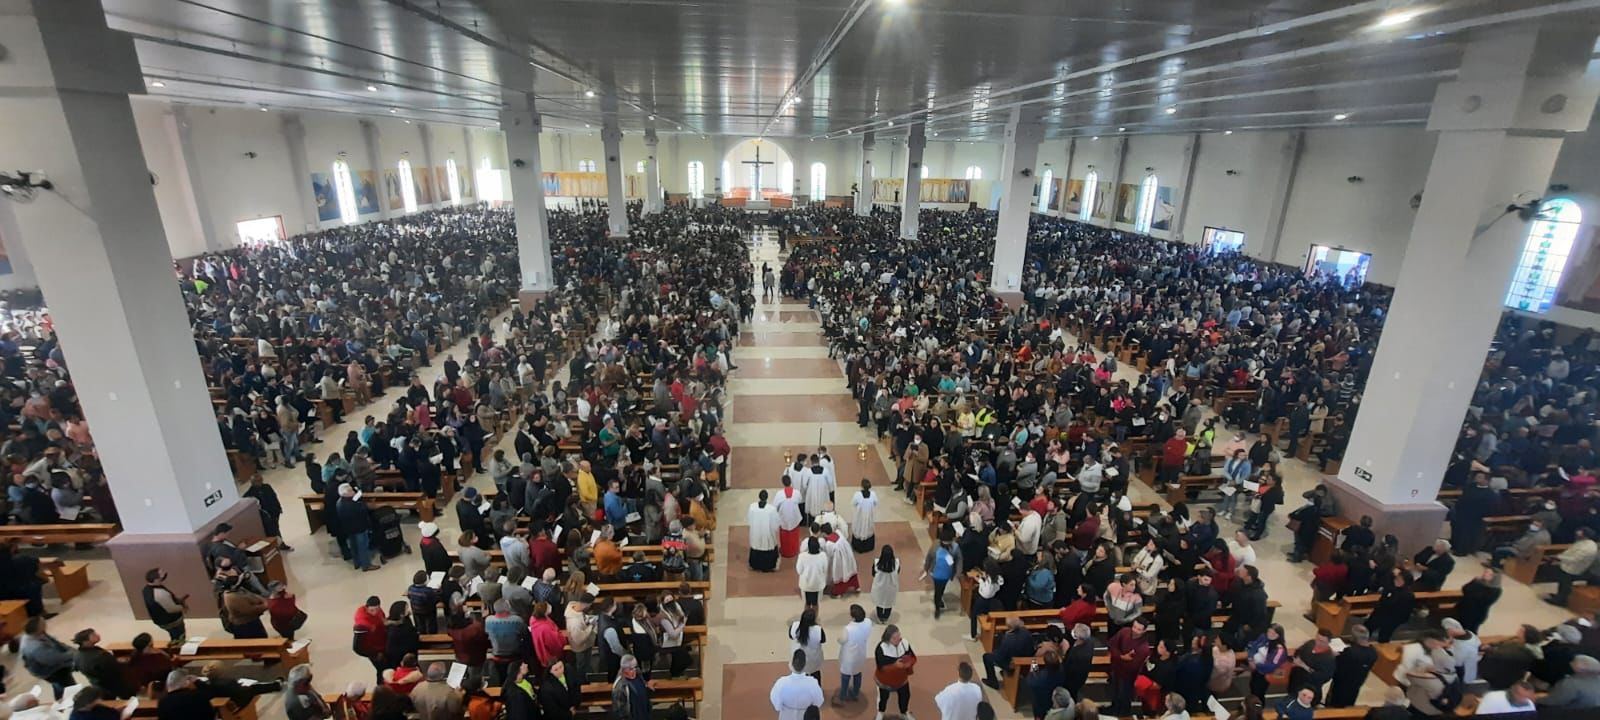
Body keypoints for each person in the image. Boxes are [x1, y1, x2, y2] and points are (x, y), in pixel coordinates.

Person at [1107, 618, 1151, 716]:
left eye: (1139, 629)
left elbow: (1134, 666)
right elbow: (1111, 644)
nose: (1135, 631)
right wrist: (1121, 656)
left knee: (1125, 697)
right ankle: (1113, 708)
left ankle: (1124, 714)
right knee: (1114, 692)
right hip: (1116, 669)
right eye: (1134, 627)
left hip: (1128, 677)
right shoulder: (1124, 632)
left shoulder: (1144, 648)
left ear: (1144, 631)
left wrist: (1119, 657)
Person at [18, 619, 72, 699]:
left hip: (51, 665)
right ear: (38, 629)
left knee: (59, 686)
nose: (45, 624)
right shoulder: (35, 647)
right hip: (51, 671)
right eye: (42, 624)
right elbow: (53, 659)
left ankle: (60, 696)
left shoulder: (35, 634)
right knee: (67, 687)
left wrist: (68, 649)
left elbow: (55, 642)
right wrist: (71, 655)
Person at [73, 628, 132, 699]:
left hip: (97, 684)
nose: (98, 635)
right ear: (85, 641)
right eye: (93, 635)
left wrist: (114, 660)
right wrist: (117, 662)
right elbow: (114, 669)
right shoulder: (99, 656)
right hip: (112, 683)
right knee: (129, 698)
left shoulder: (77, 654)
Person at [1327, 625, 1378, 707]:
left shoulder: (1350, 653)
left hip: (1341, 683)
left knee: (1334, 704)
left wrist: (1334, 655)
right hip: (1357, 683)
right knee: (1349, 703)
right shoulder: (1373, 653)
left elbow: (1338, 665)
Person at [982, 616, 1037, 690]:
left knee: (987, 657)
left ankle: (992, 681)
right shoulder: (1026, 632)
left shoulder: (1007, 639)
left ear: (1008, 626)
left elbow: (1000, 657)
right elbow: (1031, 648)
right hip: (1026, 662)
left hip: (1011, 664)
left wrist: (994, 652)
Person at [874, 625, 917, 720]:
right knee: (883, 697)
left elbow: (913, 657)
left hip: (902, 680)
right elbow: (881, 668)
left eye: (899, 636)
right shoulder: (881, 649)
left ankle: (904, 712)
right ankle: (881, 712)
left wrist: (909, 663)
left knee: (905, 696)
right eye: (895, 638)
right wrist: (895, 666)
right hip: (885, 681)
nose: (899, 639)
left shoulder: (904, 643)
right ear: (888, 638)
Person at [771, 648, 826, 720]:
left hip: (786, 716)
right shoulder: (812, 683)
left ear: (791, 664)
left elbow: (776, 703)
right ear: (805, 665)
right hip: (805, 716)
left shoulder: (781, 683)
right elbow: (819, 702)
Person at [1548, 528, 1597, 606]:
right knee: (1562, 582)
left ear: (1585, 535)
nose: (1577, 535)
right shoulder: (1584, 542)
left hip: (1573, 568)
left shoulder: (1587, 547)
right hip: (1568, 564)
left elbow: (1574, 559)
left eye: (1579, 534)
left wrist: (1559, 557)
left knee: (1565, 583)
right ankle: (1558, 596)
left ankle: (1560, 600)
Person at [141, 567, 189, 642]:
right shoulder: (159, 593)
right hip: (171, 621)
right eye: (161, 575)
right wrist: (183, 607)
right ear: (156, 579)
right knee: (179, 637)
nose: (164, 576)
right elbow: (172, 609)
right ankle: (178, 647)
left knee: (174, 635)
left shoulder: (146, 589)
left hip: (160, 619)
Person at [923, 527, 961, 619]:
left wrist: (957, 572)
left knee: (942, 588)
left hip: (947, 574)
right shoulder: (936, 545)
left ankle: (939, 598)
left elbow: (959, 560)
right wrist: (926, 568)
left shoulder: (955, 547)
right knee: (938, 590)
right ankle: (937, 608)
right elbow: (929, 557)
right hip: (935, 573)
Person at [839, 604, 874, 704]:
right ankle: (855, 692)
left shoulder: (848, 629)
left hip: (849, 656)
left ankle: (843, 695)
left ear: (853, 616)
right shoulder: (868, 622)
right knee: (857, 673)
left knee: (846, 675)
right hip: (861, 653)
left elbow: (842, 640)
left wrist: (838, 640)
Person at [1245, 624, 1288, 701]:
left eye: (1273, 633)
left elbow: (1271, 666)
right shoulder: (1263, 637)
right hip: (1255, 668)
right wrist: (1250, 659)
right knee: (1252, 686)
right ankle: (1250, 704)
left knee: (1258, 692)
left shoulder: (1279, 650)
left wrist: (1256, 665)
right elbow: (1253, 646)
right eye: (1269, 631)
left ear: (1278, 635)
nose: (1269, 634)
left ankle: (1257, 707)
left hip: (1264, 673)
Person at [1456, 568, 1502, 634]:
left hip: (1476, 614)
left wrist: (1472, 590)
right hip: (1463, 608)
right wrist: (1474, 582)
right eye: (1485, 572)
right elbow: (1465, 588)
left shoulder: (1495, 590)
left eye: (1489, 574)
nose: (1485, 574)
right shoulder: (1477, 581)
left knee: (1469, 631)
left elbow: (1483, 600)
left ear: (1494, 577)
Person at [748, 490, 782, 572]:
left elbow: (749, 520)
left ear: (759, 497)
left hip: (756, 532)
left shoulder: (752, 507)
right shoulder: (771, 509)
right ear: (767, 498)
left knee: (756, 545)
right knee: (768, 545)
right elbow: (776, 523)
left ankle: (755, 565)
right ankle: (768, 566)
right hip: (767, 533)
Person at [611, 654, 652, 720]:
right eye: (631, 669)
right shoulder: (620, 687)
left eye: (635, 667)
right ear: (624, 669)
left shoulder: (639, 676)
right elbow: (620, 711)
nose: (634, 671)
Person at [797, 537, 829, 607]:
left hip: (806, 585)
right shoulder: (823, 556)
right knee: (816, 604)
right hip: (818, 585)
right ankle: (815, 617)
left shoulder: (802, 556)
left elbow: (799, 571)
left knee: (807, 604)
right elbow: (825, 569)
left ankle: (807, 617)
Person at [871, 545, 901, 622]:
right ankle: (885, 618)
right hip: (891, 588)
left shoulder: (877, 563)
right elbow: (898, 572)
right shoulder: (896, 564)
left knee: (879, 602)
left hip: (879, 588)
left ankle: (880, 617)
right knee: (889, 603)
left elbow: (873, 574)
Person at [853, 479, 880, 552]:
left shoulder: (857, 495)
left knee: (859, 528)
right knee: (868, 528)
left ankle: (859, 547)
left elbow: (853, 503)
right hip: (869, 516)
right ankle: (868, 546)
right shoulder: (873, 494)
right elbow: (876, 503)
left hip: (860, 516)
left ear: (861, 486)